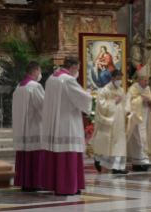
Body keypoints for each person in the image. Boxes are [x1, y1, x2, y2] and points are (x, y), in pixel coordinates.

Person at [42, 56, 93, 195]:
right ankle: (68, 186)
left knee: (58, 153)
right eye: (78, 70)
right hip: (67, 122)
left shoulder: (51, 78)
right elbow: (83, 98)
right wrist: (88, 93)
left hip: (55, 123)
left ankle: (57, 184)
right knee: (69, 153)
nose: (77, 73)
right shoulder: (68, 80)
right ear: (73, 68)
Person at [12, 61, 45, 192]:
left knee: (25, 155)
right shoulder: (35, 86)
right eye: (40, 71)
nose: (40, 74)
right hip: (34, 125)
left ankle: (25, 183)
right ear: (36, 71)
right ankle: (35, 183)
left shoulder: (19, 86)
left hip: (22, 127)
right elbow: (43, 106)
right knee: (36, 154)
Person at [91, 70, 130, 174]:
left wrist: (127, 111)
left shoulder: (121, 90)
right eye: (118, 79)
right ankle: (97, 160)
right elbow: (101, 105)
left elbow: (124, 103)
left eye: (121, 79)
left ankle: (117, 168)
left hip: (119, 120)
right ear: (112, 78)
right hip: (109, 121)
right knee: (107, 143)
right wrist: (114, 102)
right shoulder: (104, 90)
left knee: (119, 144)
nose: (120, 82)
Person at [126, 64, 151, 172]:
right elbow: (128, 102)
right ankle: (142, 161)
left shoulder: (147, 88)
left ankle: (139, 163)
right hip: (136, 117)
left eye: (147, 81)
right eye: (144, 81)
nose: (146, 83)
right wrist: (140, 100)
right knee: (137, 139)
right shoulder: (133, 89)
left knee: (143, 138)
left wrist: (149, 100)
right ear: (139, 80)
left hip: (145, 116)